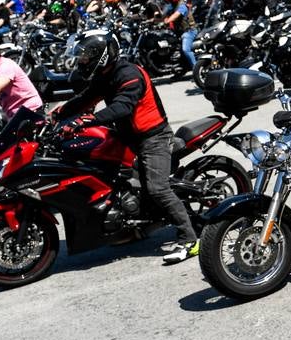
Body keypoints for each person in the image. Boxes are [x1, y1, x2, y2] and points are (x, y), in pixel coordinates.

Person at [53, 30, 198, 264]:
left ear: (101, 55)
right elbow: (85, 99)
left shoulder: (129, 74)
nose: (82, 61)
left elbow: (123, 107)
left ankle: (189, 239)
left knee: (158, 189)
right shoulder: (104, 75)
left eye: (86, 57)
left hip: (153, 138)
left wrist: (89, 120)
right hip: (126, 136)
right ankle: (130, 224)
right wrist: (57, 115)